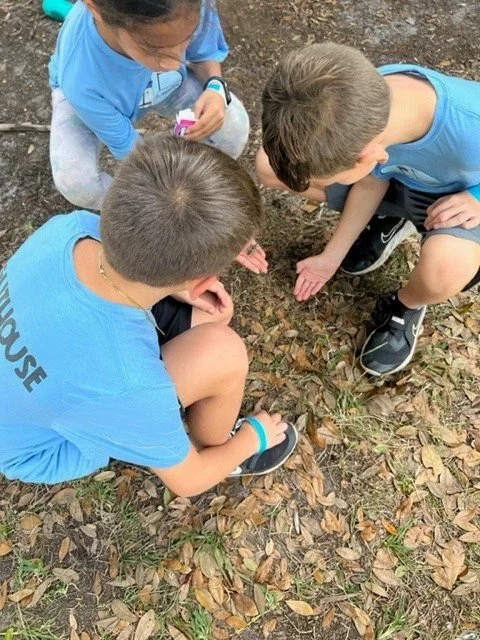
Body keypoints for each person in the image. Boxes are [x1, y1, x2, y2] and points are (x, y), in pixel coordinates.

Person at [0, 135, 297, 491]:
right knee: (224, 353)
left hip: (38, 384)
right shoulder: (130, 385)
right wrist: (251, 439)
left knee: (206, 325)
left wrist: (184, 281)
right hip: (47, 447)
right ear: (202, 279)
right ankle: (217, 446)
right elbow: (188, 482)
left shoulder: (68, 230)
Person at [256, 42, 480, 376]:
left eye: (329, 176)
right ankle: (391, 218)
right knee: (268, 165)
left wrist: (477, 196)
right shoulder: (360, 105)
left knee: (446, 268)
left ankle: (408, 304)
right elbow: (371, 180)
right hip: (396, 180)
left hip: (451, 200)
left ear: (370, 156)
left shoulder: (470, 124)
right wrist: (331, 257)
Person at [48, 0, 250, 212]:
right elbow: (133, 151)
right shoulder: (80, 79)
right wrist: (170, 195)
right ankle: (136, 211)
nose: (175, 63)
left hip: (163, 87)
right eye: (155, 49)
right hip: (91, 99)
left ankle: (204, 181)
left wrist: (215, 87)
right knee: (77, 184)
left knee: (232, 129)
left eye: (186, 38)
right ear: (96, 10)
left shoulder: (189, 5)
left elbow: (203, 55)